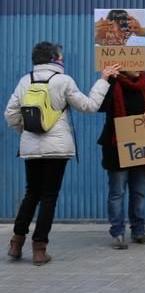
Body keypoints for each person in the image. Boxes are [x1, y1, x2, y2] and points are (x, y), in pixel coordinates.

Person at [5, 42, 118, 265]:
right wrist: (103, 80)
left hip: (31, 149)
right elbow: (89, 105)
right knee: (49, 197)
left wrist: (27, 131)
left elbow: (10, 114)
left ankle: (16, 243)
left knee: (31, 193)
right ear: (55, 59)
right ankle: (39, 248)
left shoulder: (25, 81)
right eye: (61, 57)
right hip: (57, 149)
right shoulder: (63, 81)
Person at [98, 69, 145, 250]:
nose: (138, 69)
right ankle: (118, 233)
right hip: (116, 148)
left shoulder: (143, 88)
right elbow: (100, 106)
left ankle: (138, 231)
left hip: (140, 149)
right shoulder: (112, 85)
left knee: (138, 192)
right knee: (117, 193)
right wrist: (105, 80)